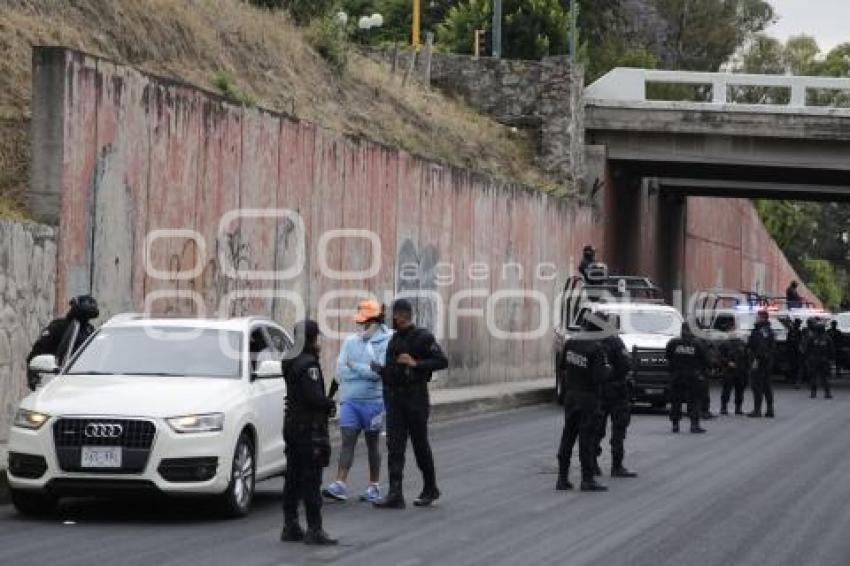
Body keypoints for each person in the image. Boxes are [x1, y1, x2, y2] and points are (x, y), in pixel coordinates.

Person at [373, 299, 448, 509]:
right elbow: (393, 369)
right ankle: (395, 493)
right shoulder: (394, 339)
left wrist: (416, 364)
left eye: (393, 316)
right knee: (394, 446)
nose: (391, 320)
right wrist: (381, 370)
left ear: (401, 315)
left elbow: (442, 361)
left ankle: (430, 488)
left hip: (416, 399)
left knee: (419, 444)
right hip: (396, 401)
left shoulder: (423, 337)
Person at [322, 300, 390, 503]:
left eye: (365, 322)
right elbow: (340, 369)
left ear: (376, 321)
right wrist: (360, 369)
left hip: (374, 402)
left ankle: (374, 486)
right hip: (350, 400)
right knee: (347, 440)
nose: (361, 326)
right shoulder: (351, 341)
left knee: (372, 444)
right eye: (360, 322)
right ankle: (340, 484)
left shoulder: (387, 342)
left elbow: (377, 373)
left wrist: (355, 367)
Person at [281, 319, 337, 546]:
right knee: (311, 479)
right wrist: (328, 404)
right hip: (308, 428)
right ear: (312, 338)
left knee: (293, 477)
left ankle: (291, 525)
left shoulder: (290, 359)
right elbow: (313, 398)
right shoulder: (309, 365)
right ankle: (315, 529)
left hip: (293, 425)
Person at [556, 314, 610, 492]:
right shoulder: (596, 349)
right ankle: (587, 479)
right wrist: (608, 370)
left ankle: (562, 478)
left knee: (568, 436)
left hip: (571, 396)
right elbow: (598, 377)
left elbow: (562, 366)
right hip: (588, 398)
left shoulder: (571, 343)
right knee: (586, 439)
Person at [26, 294, 99, 390]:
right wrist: (33, 376)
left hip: (85, 382)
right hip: (59, 381)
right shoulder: (59, 327)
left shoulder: (90, 330)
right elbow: (37, 353)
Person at [595, 314, 638, 478]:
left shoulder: (590, 342)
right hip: (616, 390)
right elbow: (626, 364)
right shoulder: (614, 341)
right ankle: (616, 466)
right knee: (618, 429)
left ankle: (592, 464)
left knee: (596, 428)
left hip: (598, 391)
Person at [665, 322, 708, 434]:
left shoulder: (673, 343)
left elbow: (668, 357)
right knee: (694, 400)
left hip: (677, 375)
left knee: (676, 400)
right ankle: (694, 425)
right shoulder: (697, 344)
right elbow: (704, 359)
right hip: (692, 376)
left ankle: (675, 425)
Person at [747, 310, 777, 418]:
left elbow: (760, 347)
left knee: (757, 386)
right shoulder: (769, 331)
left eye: (758, 317)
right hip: (767, 362)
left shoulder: (759, 331)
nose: (756, 318)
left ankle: (757, 410)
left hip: (759, 362)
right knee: (767, 386)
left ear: (763, 318)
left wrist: (756, 359)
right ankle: (769, 410)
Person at [717, 316, 749, 416]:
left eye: (734, 330)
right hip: (729, 371)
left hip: (740, 370)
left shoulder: (742, 344)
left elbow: (747, 356)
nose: (733, 332)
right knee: (726, 390)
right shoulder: (724, 344)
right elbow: (719, 357)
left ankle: (738, 408)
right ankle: (723, 407)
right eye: (731, 330)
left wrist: (747, 369)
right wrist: (727, 362)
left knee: (740, 391)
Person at [805, 321, 834, 399]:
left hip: (814, 360)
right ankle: (827, 393)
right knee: (824, 377)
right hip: (824, 360)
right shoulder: (827, 338)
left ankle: (813, 393)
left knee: (813, 376)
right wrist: (831, 359)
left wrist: (807, 359)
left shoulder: (812, 338)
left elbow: (807, 349)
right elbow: (831, 350)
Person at [786, 318, 803, 385]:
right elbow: (788, 341)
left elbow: (800, 341)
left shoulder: (798, 331)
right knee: (792, 365)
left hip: (796, 351)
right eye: (798, 324)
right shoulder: (792, 331)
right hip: (792, 350)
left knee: (796, 366)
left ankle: (794, 379)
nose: (799, 325)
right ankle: (790, 378)